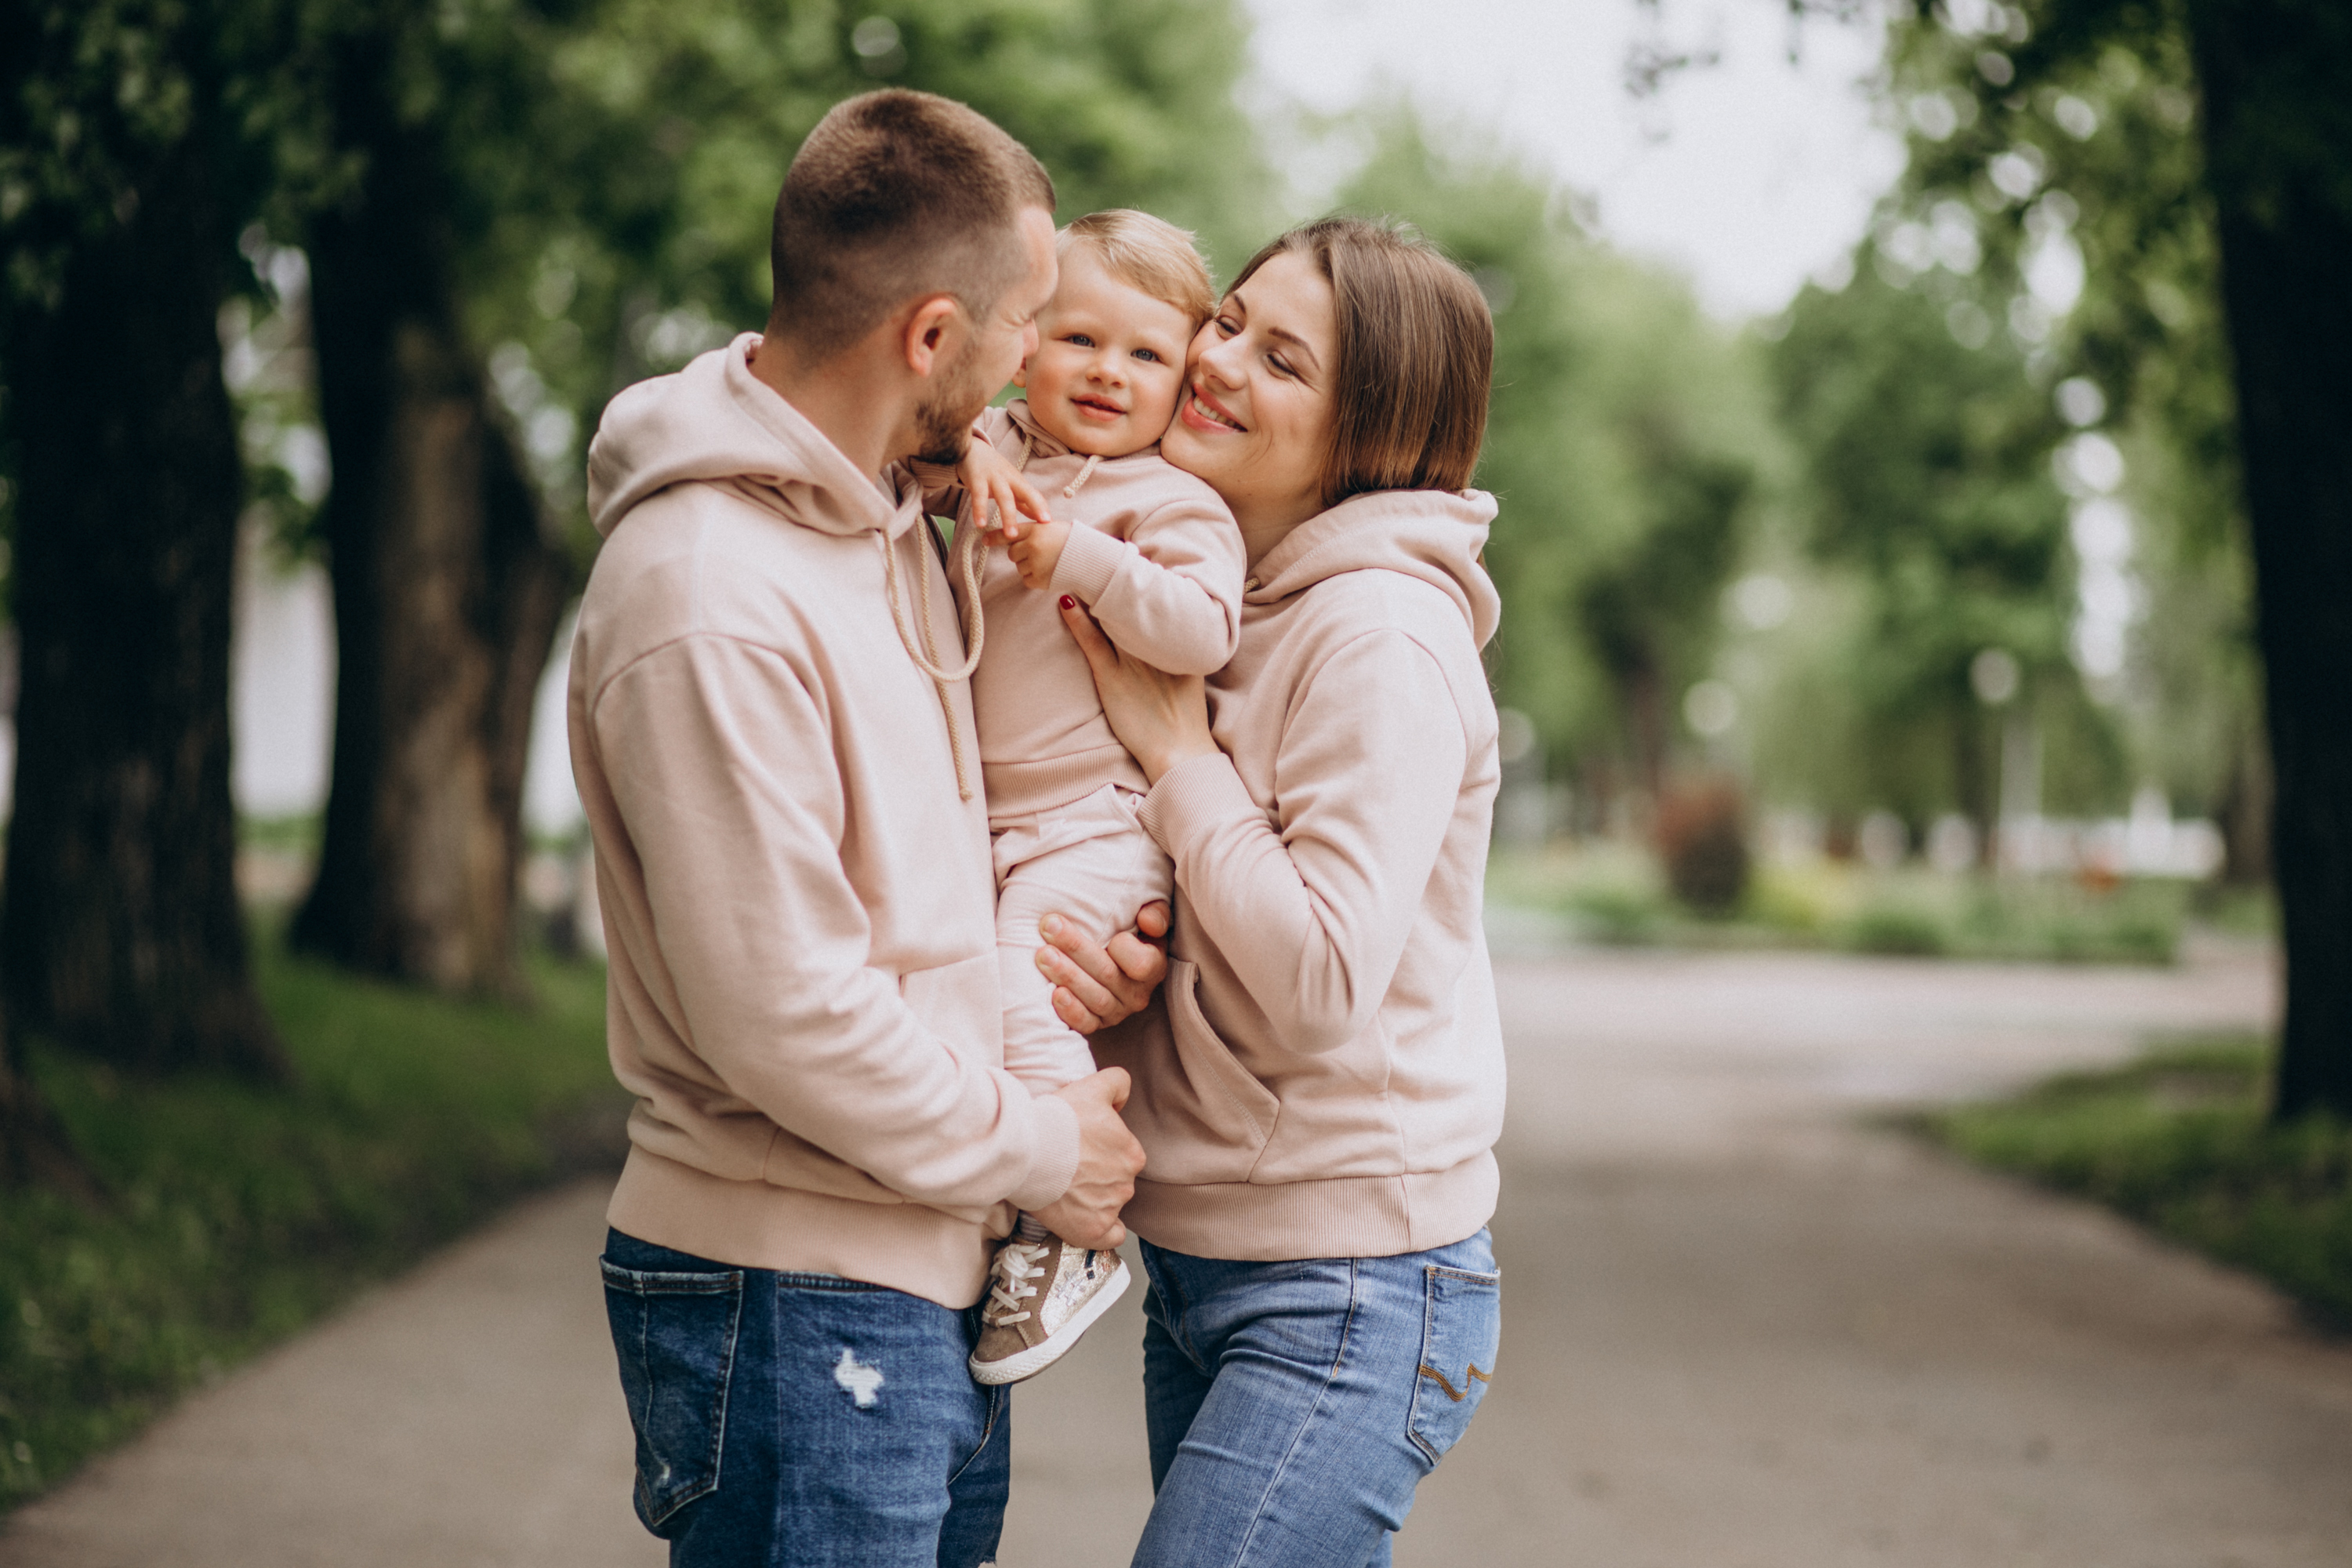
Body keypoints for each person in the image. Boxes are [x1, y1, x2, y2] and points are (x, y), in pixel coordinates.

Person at [567, 89, 1159, 1568]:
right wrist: (1042, 1150)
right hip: (794, 1296)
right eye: (1030, 325)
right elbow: (784, 1013)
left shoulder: (895, 517)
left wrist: (1059, 970)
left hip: (911, 1279)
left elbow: (914, 904)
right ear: (933, 335)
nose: (1040, 362)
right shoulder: (708, 594)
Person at [1064, 215, 1506, 1568]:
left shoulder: (1378, 633)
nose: (1218, 362)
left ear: (1369, 434)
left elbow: (1317, 981)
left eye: (1285, 361)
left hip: (1351, 1284)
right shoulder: (1207, 601)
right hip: (1207, 1265)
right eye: (1232, 319)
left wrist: (1178, 756)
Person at [914, 209, 1243, 1386]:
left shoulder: (1169, 504)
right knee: (987, 1016)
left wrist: (1084, 561)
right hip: (984, 824)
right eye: (1081, 339)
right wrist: (968, 450)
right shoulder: (987, 446)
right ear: (1024, 343)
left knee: (1017, 976)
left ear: (1184, 382)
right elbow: (900, 438)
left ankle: (1072, 1229)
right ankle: (1009, 1214)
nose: (1110, 372)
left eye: (1149, 355)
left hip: (1098, 823)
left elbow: (1202, 627)